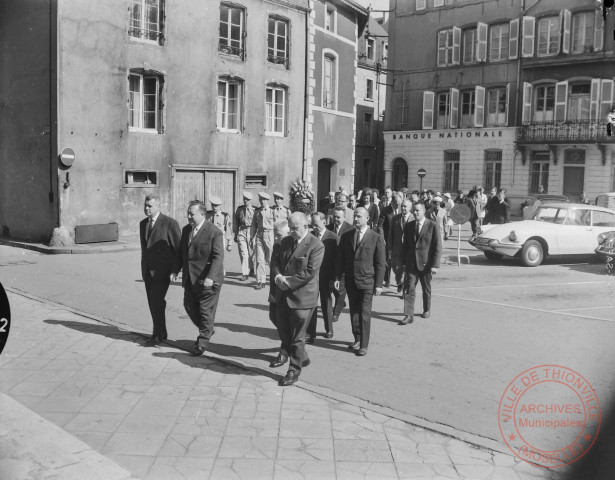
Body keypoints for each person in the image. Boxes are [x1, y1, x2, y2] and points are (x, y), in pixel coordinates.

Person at [271, 212, 325, 386]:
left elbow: (309, 272)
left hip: (303, 298)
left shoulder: (316, 245)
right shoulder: (286, 241)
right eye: (290, 227)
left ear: (305, 226)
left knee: (298, 336)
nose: (292, 231)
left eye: (295, 228)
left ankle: (293, 370)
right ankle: (302, 357)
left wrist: (288, 281)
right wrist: (278, 276)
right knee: (283, 332)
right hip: (283, 295)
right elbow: (276, 262)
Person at [171, 201, 224, 356]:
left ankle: (202, 342)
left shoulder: (214, 232)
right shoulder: (187, 229)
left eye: (191, 214)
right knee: (189, 306)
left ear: (202, 214)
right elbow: (182, 253)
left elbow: (218, 257)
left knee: (205, 310)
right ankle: (208, 330)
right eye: (187, 213)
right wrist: (175, 271)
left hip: (208, 280)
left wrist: (211, 277)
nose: (188, 217)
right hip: (190, 278)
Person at [335, 207, 386, 356]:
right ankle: (357, 338)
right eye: (355, 216)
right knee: (354, 312)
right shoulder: (347, 236)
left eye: (359, 216)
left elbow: (381, 263)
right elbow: (341, 259)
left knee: (364, 313)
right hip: (351, 280)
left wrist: (378, 284)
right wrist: (338, 277)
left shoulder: (375, 237)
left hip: (367, 281)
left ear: (367, 218)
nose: (356, 219)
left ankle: (364, 344)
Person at [139, 194, 181, 346]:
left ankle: (157, 334)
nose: (147, 208)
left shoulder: (170, 223)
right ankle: (161, 332)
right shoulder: (143, 224)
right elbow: (145, 249)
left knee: (156, 300)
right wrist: (143, 268)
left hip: (163, 271)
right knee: (153, 302)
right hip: (148, 270)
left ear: (158, 206)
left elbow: (178, 249)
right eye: (145, 205)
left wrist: (175, 270)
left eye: (150, 206)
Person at [399, 203, 441, 325]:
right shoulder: (409, 226)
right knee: (409, 288)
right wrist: (404, 263)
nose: (415, 213)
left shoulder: (432, 225)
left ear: (423, 211)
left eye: (417, 211)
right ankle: (408, 315)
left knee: (426, 288)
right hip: (411, 263)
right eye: (414, 211)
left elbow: (437, 246)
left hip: (426, 264)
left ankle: (426, 309)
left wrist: (435, 265)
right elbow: (405, 246)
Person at [307, 212, 339, 343]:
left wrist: (336, 278)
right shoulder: (310, 236)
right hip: (312, 277)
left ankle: (329, 329)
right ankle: (310, 333)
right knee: (312, 305)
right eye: (312, 224)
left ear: (324, 221)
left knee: (326, 303)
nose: (314, 227)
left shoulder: (333, 238)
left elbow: (337, 261)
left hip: (327, 276)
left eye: (316, 224)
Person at [268, 219, 290, 368]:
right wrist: (276, 277)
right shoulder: (277, 245)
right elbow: (274, 264)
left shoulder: (294, 246)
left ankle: (285, 351)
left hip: (289, 289)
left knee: (285, 321)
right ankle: (292, 345)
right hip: (276, 286)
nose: (277, 238)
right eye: (276, 235)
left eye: (279, 235)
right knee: (273, 316)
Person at [327, 207, 355, 322]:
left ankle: (335, 313)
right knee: (332, 286)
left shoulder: (350, 229)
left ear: (344, 217)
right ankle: (341, 301)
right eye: (334, 216)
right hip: (330, 263)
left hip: (343, 263)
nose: (336, 219)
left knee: (340, 289)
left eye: (338, 217)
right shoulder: (328, 228)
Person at [251, 192, 276, 289]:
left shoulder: (272, 211)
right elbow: (253, 225)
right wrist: (251, 236)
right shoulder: (257, 212)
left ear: (267, 201)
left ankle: (274, 278)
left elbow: (277, 224)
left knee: (270, 259)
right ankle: (261, 281)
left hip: (269, 234)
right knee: (259, 259)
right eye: (261, 200)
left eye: (264, 200)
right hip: (259, 235)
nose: (262, 201)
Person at [378, 191, 402, 287]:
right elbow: (380, 226)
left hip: (399, 240)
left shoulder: (402, 210)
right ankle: (387, 280)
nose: (398, 206)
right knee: (387, 261)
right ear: (392, 202)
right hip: (387, 239)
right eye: (396, 204)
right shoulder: (385, 210)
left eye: (399, 204)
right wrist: (382, 238)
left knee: (398, 261)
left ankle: (399, 282)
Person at [388, 199, 412, 294]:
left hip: (409, 250)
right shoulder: (395, 218)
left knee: (407, 271)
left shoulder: (413, 218)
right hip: (397, 249)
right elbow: (391, 235)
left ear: (410, 208)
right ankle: (399, 282)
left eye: (405, 206)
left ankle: (405, 290)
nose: (403, 208)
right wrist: (389, 249)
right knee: (396, 268)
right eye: (402, 206)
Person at [233, 191, 255, 281]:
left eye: (248, 199)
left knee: (252, 252)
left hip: (251, 230)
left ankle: (252, 268)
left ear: (250, 200)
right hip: (242, 230)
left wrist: (255, 234)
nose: (246, 201)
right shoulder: (239, 209)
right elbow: (236, 222)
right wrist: (235, 234)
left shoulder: (255, 210)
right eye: (244, 199)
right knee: (243, 253)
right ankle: (245, 273)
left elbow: (257, 223)